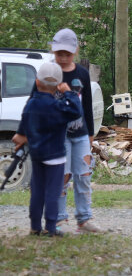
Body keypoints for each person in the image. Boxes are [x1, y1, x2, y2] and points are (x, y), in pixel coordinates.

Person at [12, 61, 82, 237]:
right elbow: (76, 111)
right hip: (56, 156)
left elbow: (24, 122)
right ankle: (50, 227)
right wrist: (69, 92)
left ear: (37, 82)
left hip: (37, 154)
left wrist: (21, 135)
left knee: (37, 191)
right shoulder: (58, 107)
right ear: (58, 86)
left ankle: (35, 226)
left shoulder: (31, 105)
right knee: (52, 192)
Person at [48, 29, 101, 233]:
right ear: (53, 51)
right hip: (58, 136)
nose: (63, 58)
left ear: (76, 51)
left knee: (83, 175)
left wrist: (90, 135)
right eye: (59, 53)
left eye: (67, 54)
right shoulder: (48, 72)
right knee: (62, 176)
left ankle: (84, 219)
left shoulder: (82, 74)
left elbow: (87, 106)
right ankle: (58, 219)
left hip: (80, 135)